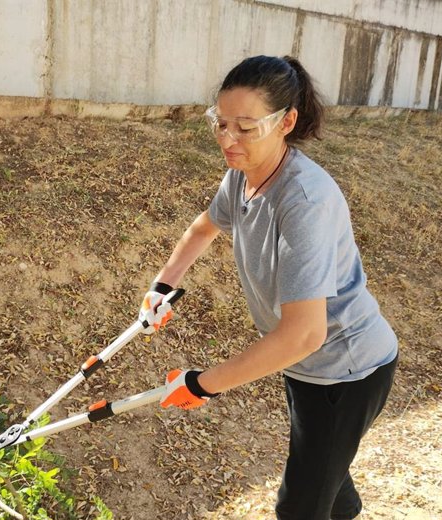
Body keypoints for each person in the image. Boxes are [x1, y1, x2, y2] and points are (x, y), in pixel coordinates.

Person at [138, 55, 398, 520]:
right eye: (220, 124)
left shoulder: (303, 201)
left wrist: (202, 384)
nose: (228, 140)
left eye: (245, 127)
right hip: (308, 369)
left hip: (347, 371)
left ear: (287, 122)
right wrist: (163, 286)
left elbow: (304, 334)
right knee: (324, 471)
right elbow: (202, 228)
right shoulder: (242, 176)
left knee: (299, 507)